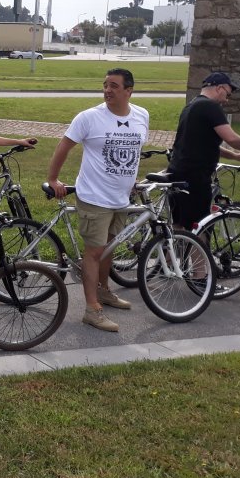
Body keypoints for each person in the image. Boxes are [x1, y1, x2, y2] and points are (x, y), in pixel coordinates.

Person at [46, 68, 149, 332]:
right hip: (94, 196)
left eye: (114, 85)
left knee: (109, 247)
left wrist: (131, 182)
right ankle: (92, 309)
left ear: (129, 90)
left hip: (121, 197)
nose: (107, 90)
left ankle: (104, 291)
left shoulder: (141, 116)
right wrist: (54, 178)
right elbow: (64, 147)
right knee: (93, 252)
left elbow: (134, 153)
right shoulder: (89, 118)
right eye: (105, 85)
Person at [166, 71, 240, 230]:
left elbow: (205, 143)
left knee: (179, 227)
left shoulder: (191, 106)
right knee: (200, 227)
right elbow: (232, 139)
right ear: (220, 88)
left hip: (178, 174)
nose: (226, 100)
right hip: (195, 178)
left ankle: (172, 256)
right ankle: (201, 256)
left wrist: (236, 156)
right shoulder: (210, 106)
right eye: (227, 95)